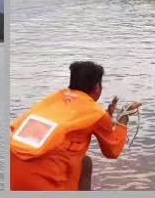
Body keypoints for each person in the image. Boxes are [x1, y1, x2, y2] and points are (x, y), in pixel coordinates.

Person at [10, 61, 141, 191]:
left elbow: (66, 123)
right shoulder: (96, 112)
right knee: (83, 163)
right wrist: (123, 118)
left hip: (12, 174)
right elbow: (112, 151)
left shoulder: (54, 99)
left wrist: (107, 116)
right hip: (44, 185)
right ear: (97, 87)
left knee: (85, 162)